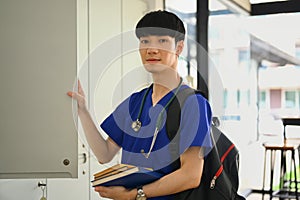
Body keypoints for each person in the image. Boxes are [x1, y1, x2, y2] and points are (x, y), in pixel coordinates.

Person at [68, 10, 212, 200]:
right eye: (145, 41)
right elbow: (104, 154)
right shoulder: (135, 102)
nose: (151, 49)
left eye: (161, 41)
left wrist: (134, 195)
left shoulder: (193, 104)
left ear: (179, 48)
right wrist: (82, 110)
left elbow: (190, 176)